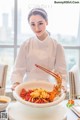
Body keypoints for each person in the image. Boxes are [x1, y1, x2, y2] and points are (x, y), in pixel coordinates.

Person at [11, 8, 67, 91]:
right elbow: (18, 69)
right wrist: (16, 83)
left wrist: (62, 86)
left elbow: (61, 73)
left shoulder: (57, 46)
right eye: (33, 24)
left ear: (47, 22)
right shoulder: (25, 45)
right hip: (28, 87)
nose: (36, 28)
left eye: (40, 23)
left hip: (48, 88)